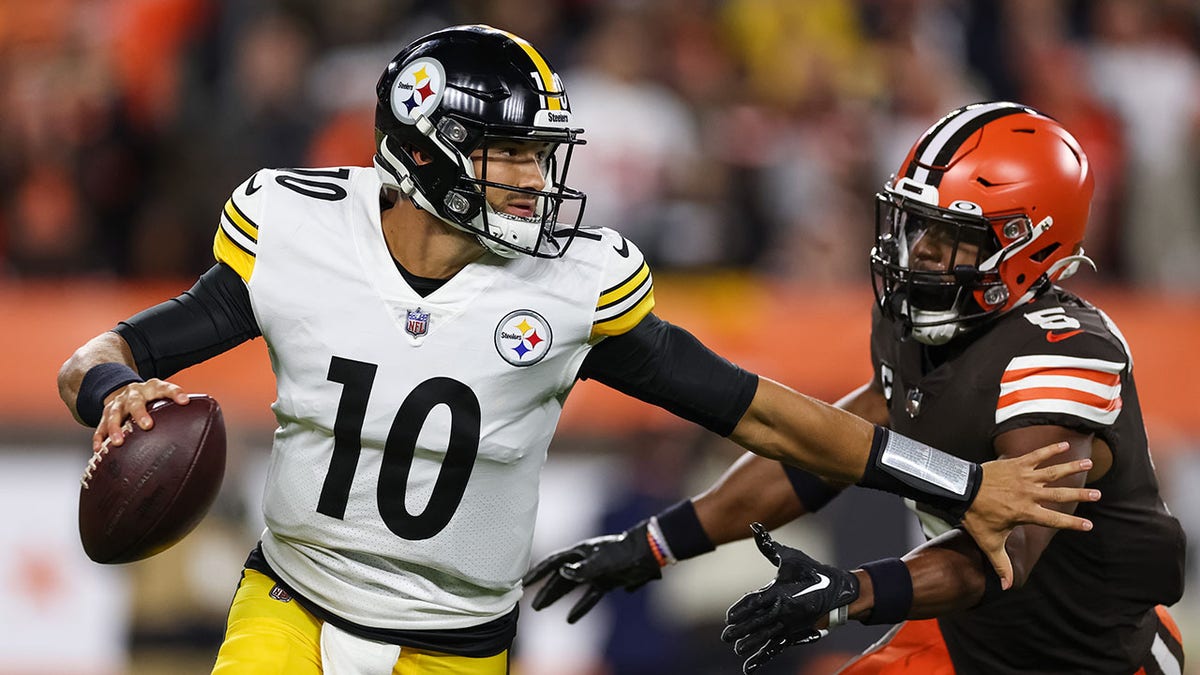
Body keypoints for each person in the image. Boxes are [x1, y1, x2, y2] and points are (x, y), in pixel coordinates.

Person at [56, 25, 1094, 673]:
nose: (532, 184)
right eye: (509, 156)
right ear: (429, 150)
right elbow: (99, 353)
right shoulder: (296, 232)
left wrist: (955, 481)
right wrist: (114, 388)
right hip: (287, 604)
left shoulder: (572, 285)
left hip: (455, 644)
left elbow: (764, 411)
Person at [524, 102, 1187, 674]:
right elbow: (823, 453)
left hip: (1088, 658)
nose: (918, 250)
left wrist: (852, 591)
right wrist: (657, 542)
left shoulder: (1061, 355)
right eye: (917, 225)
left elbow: (1001, 556)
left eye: (949, 236)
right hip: (969, 641)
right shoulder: (924, 324)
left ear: (1025, 244)